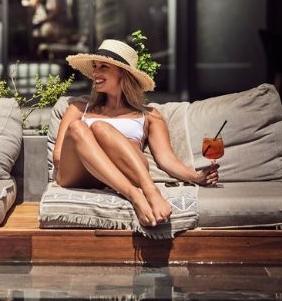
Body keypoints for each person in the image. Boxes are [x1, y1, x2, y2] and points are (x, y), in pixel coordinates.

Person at [53, 39, 218, 227]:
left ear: (123, 73)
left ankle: (149, 191)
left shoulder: (149, 115)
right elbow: (58, 157)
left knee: (100, 127)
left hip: (127, 172)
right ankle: (135, 195)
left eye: (104, 67)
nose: (96, 73)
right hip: (78, 174)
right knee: (78, 127)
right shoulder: (78, 108)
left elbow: (165, 158)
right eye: (95, 67)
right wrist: (96, 158)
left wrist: (196, 177)